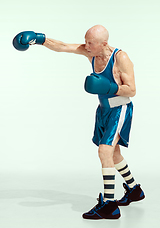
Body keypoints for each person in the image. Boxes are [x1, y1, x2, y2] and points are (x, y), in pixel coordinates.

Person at [12, 25, 145, 220]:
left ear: (104, 44)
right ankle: (134, 190)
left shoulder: (120, 58)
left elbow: (132, 90)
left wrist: (108, 86)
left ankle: (109, 205)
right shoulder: (90, 52)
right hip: (103, 110)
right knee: (114, 153)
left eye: (91, 43)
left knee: (104, 150)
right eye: (86, 41)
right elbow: (64, 46)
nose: (87, 45)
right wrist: (40, 39)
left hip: (120, 109)